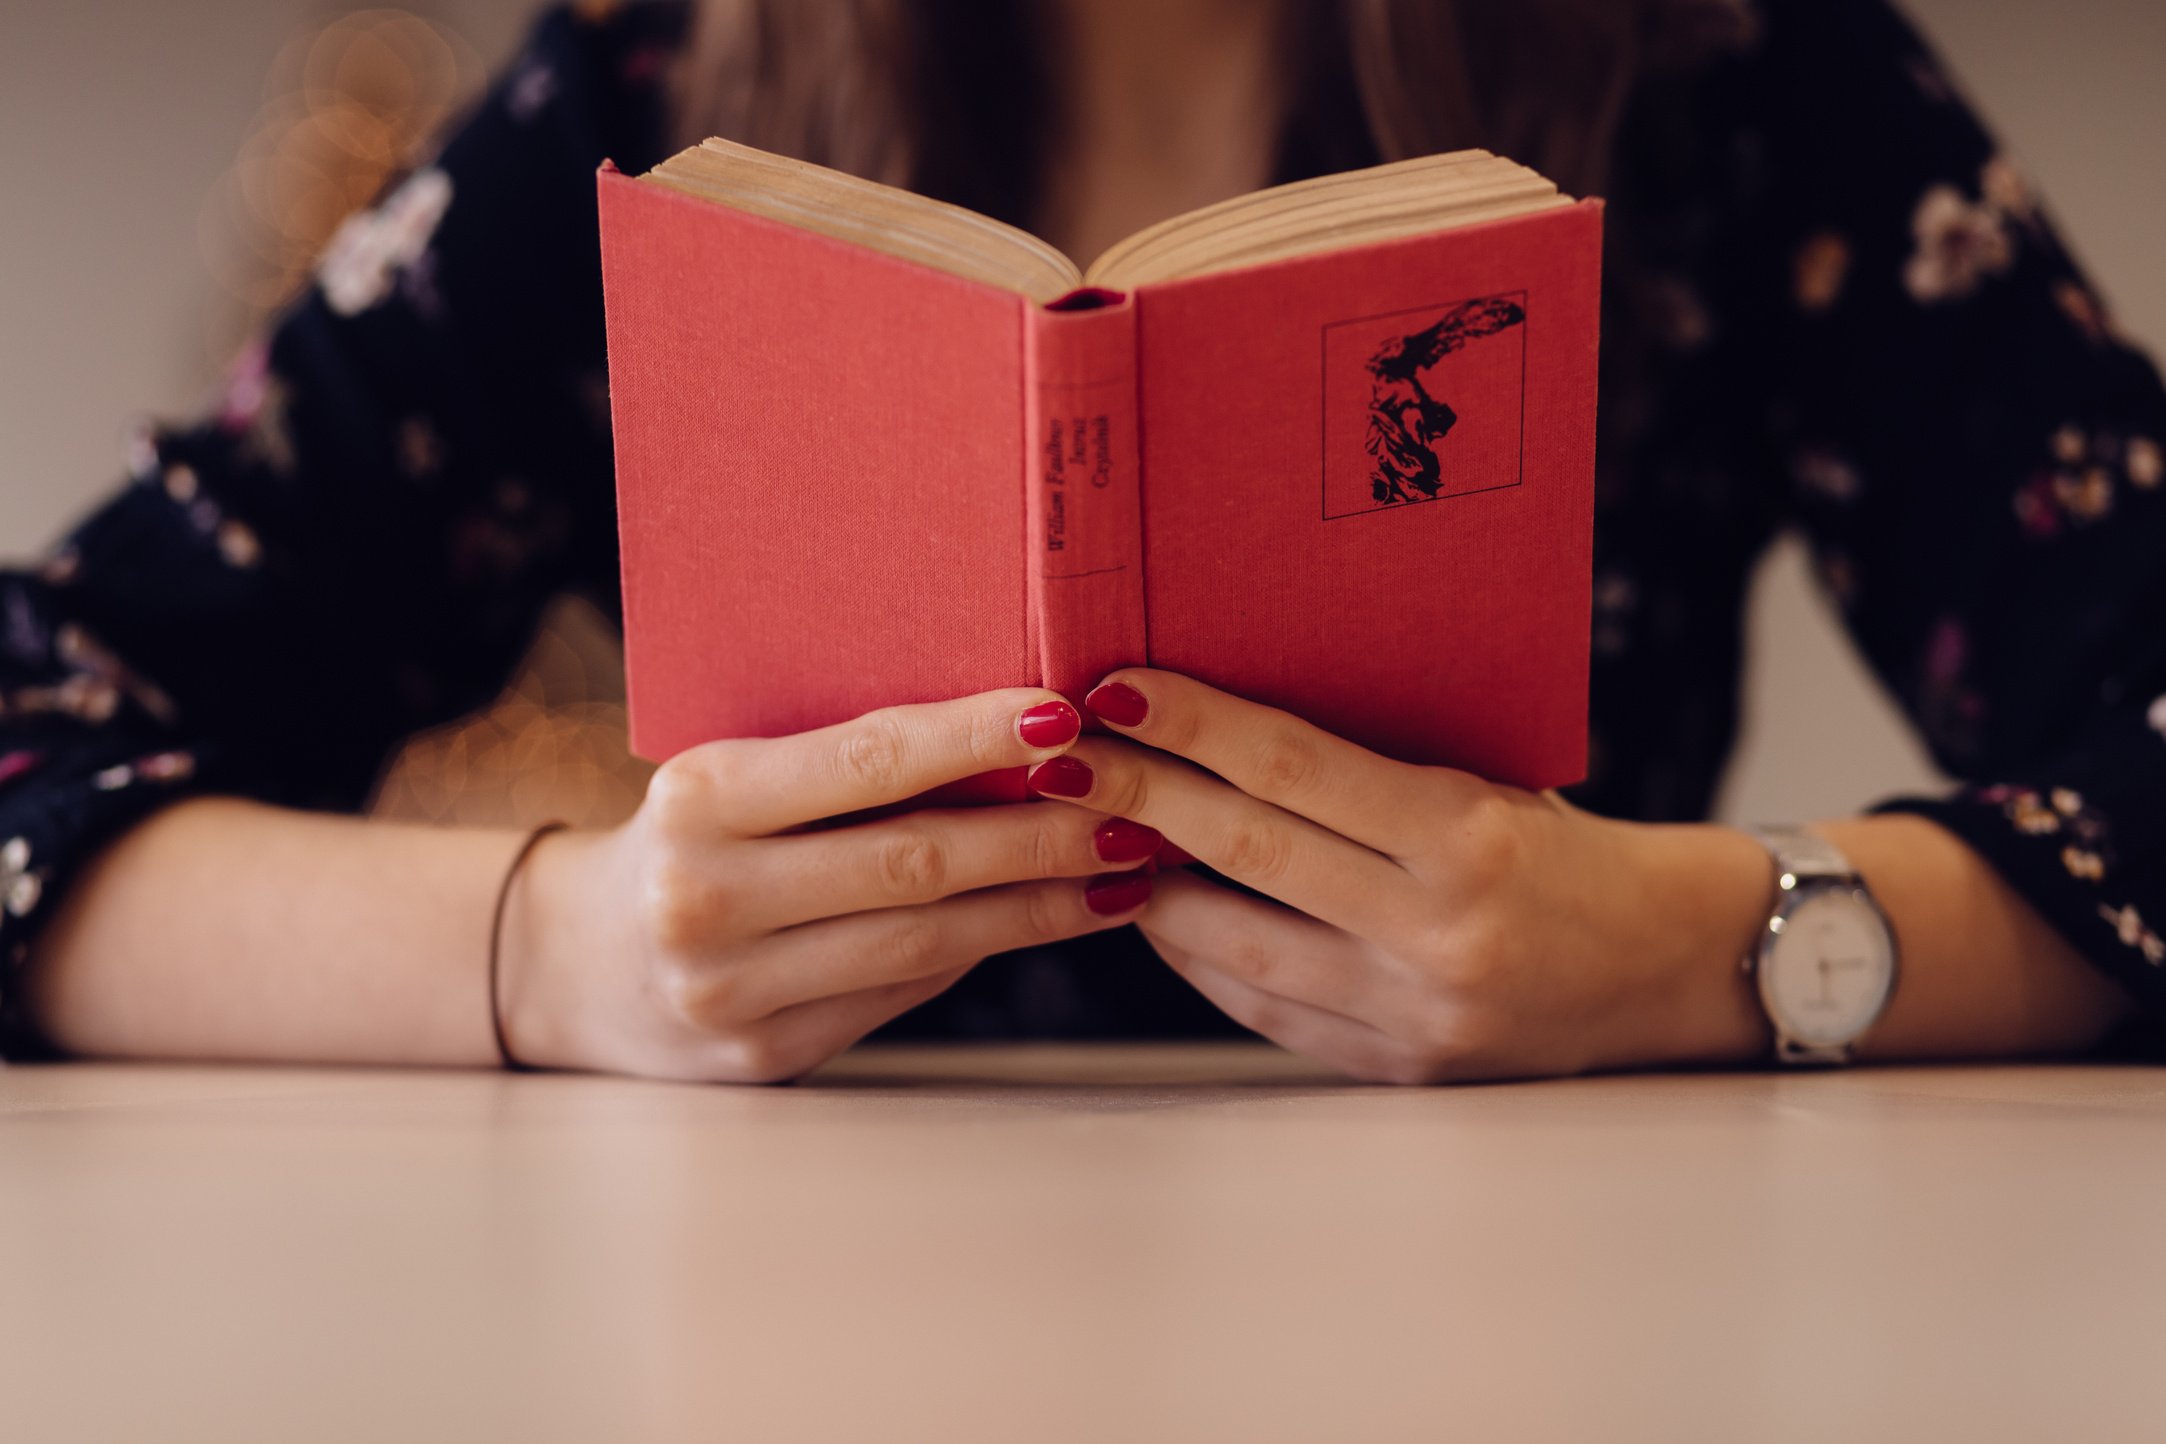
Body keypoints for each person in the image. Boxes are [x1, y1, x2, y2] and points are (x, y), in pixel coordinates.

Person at [4, 0, 2159, 1084]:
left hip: (1504, 1324)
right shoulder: (656, 92)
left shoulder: (1735, 68)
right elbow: (34, 731)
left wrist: (1704, 943)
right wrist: (557, 956)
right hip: (817, 1346)